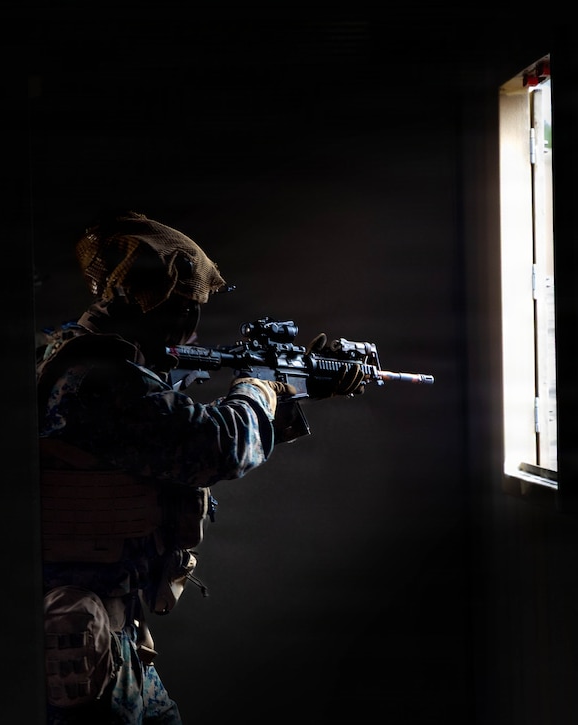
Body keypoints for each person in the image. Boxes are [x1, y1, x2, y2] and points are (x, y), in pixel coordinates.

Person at [35, 211, 363, 725]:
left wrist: (296, 387)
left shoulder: (75, 353)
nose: (192, 327)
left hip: (114, 631)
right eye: (187, 308)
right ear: (152, 303)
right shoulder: (96, 376)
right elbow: (215, 446)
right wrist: (259, 387)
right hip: (85, 635)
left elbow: (162, 418)